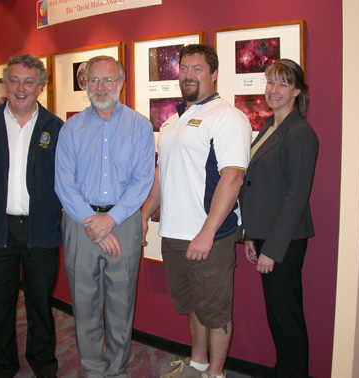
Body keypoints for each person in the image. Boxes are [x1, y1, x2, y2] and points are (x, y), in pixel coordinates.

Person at [141, 44, 251, 378]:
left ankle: (215, 374)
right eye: (184, 69)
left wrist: (207, 233)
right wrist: (146, 214)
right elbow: (163, 172)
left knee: (215, 313)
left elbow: (233, 177)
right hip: (174, 234)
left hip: (209, 237)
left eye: (197, 69)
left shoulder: (227, 116)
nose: (189, 75)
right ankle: (198, 365)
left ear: (214, 74)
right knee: (193, 306)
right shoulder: (175, 119)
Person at [54, 56, 155, 378]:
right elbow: (63, 182)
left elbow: (143, 179)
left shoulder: (139, 125)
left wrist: (110, 221)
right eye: (94, 80)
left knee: (121, 304)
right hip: (79, 223)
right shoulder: (71, 128)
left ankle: (117, 370)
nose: (101, 87)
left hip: (123, 224)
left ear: (121, 82)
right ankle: (93, 370)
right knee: (83, 305)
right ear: (85, 84)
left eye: (108, 80)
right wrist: (91, 221)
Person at [0, 54, 63, 378]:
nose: (21, 88)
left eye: (29, 82)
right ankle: (2, 367)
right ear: (6, 83)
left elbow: (66, 179)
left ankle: (43, 365)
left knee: (40, 306)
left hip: (41, 233)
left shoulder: (55, 128)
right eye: (15, 81)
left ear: (40, 87)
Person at [240, 59, 319, 378]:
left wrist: (271, 249)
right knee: (277, 314)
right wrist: (250, 236)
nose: (274, 90)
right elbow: (258, 186)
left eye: (283, 84)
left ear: (297, 91)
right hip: (265, 235)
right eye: (270, 82)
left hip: (284, 241)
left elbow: (296, 197)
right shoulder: (269, 126)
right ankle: (285, 370)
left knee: (286, 317)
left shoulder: (300, 132)